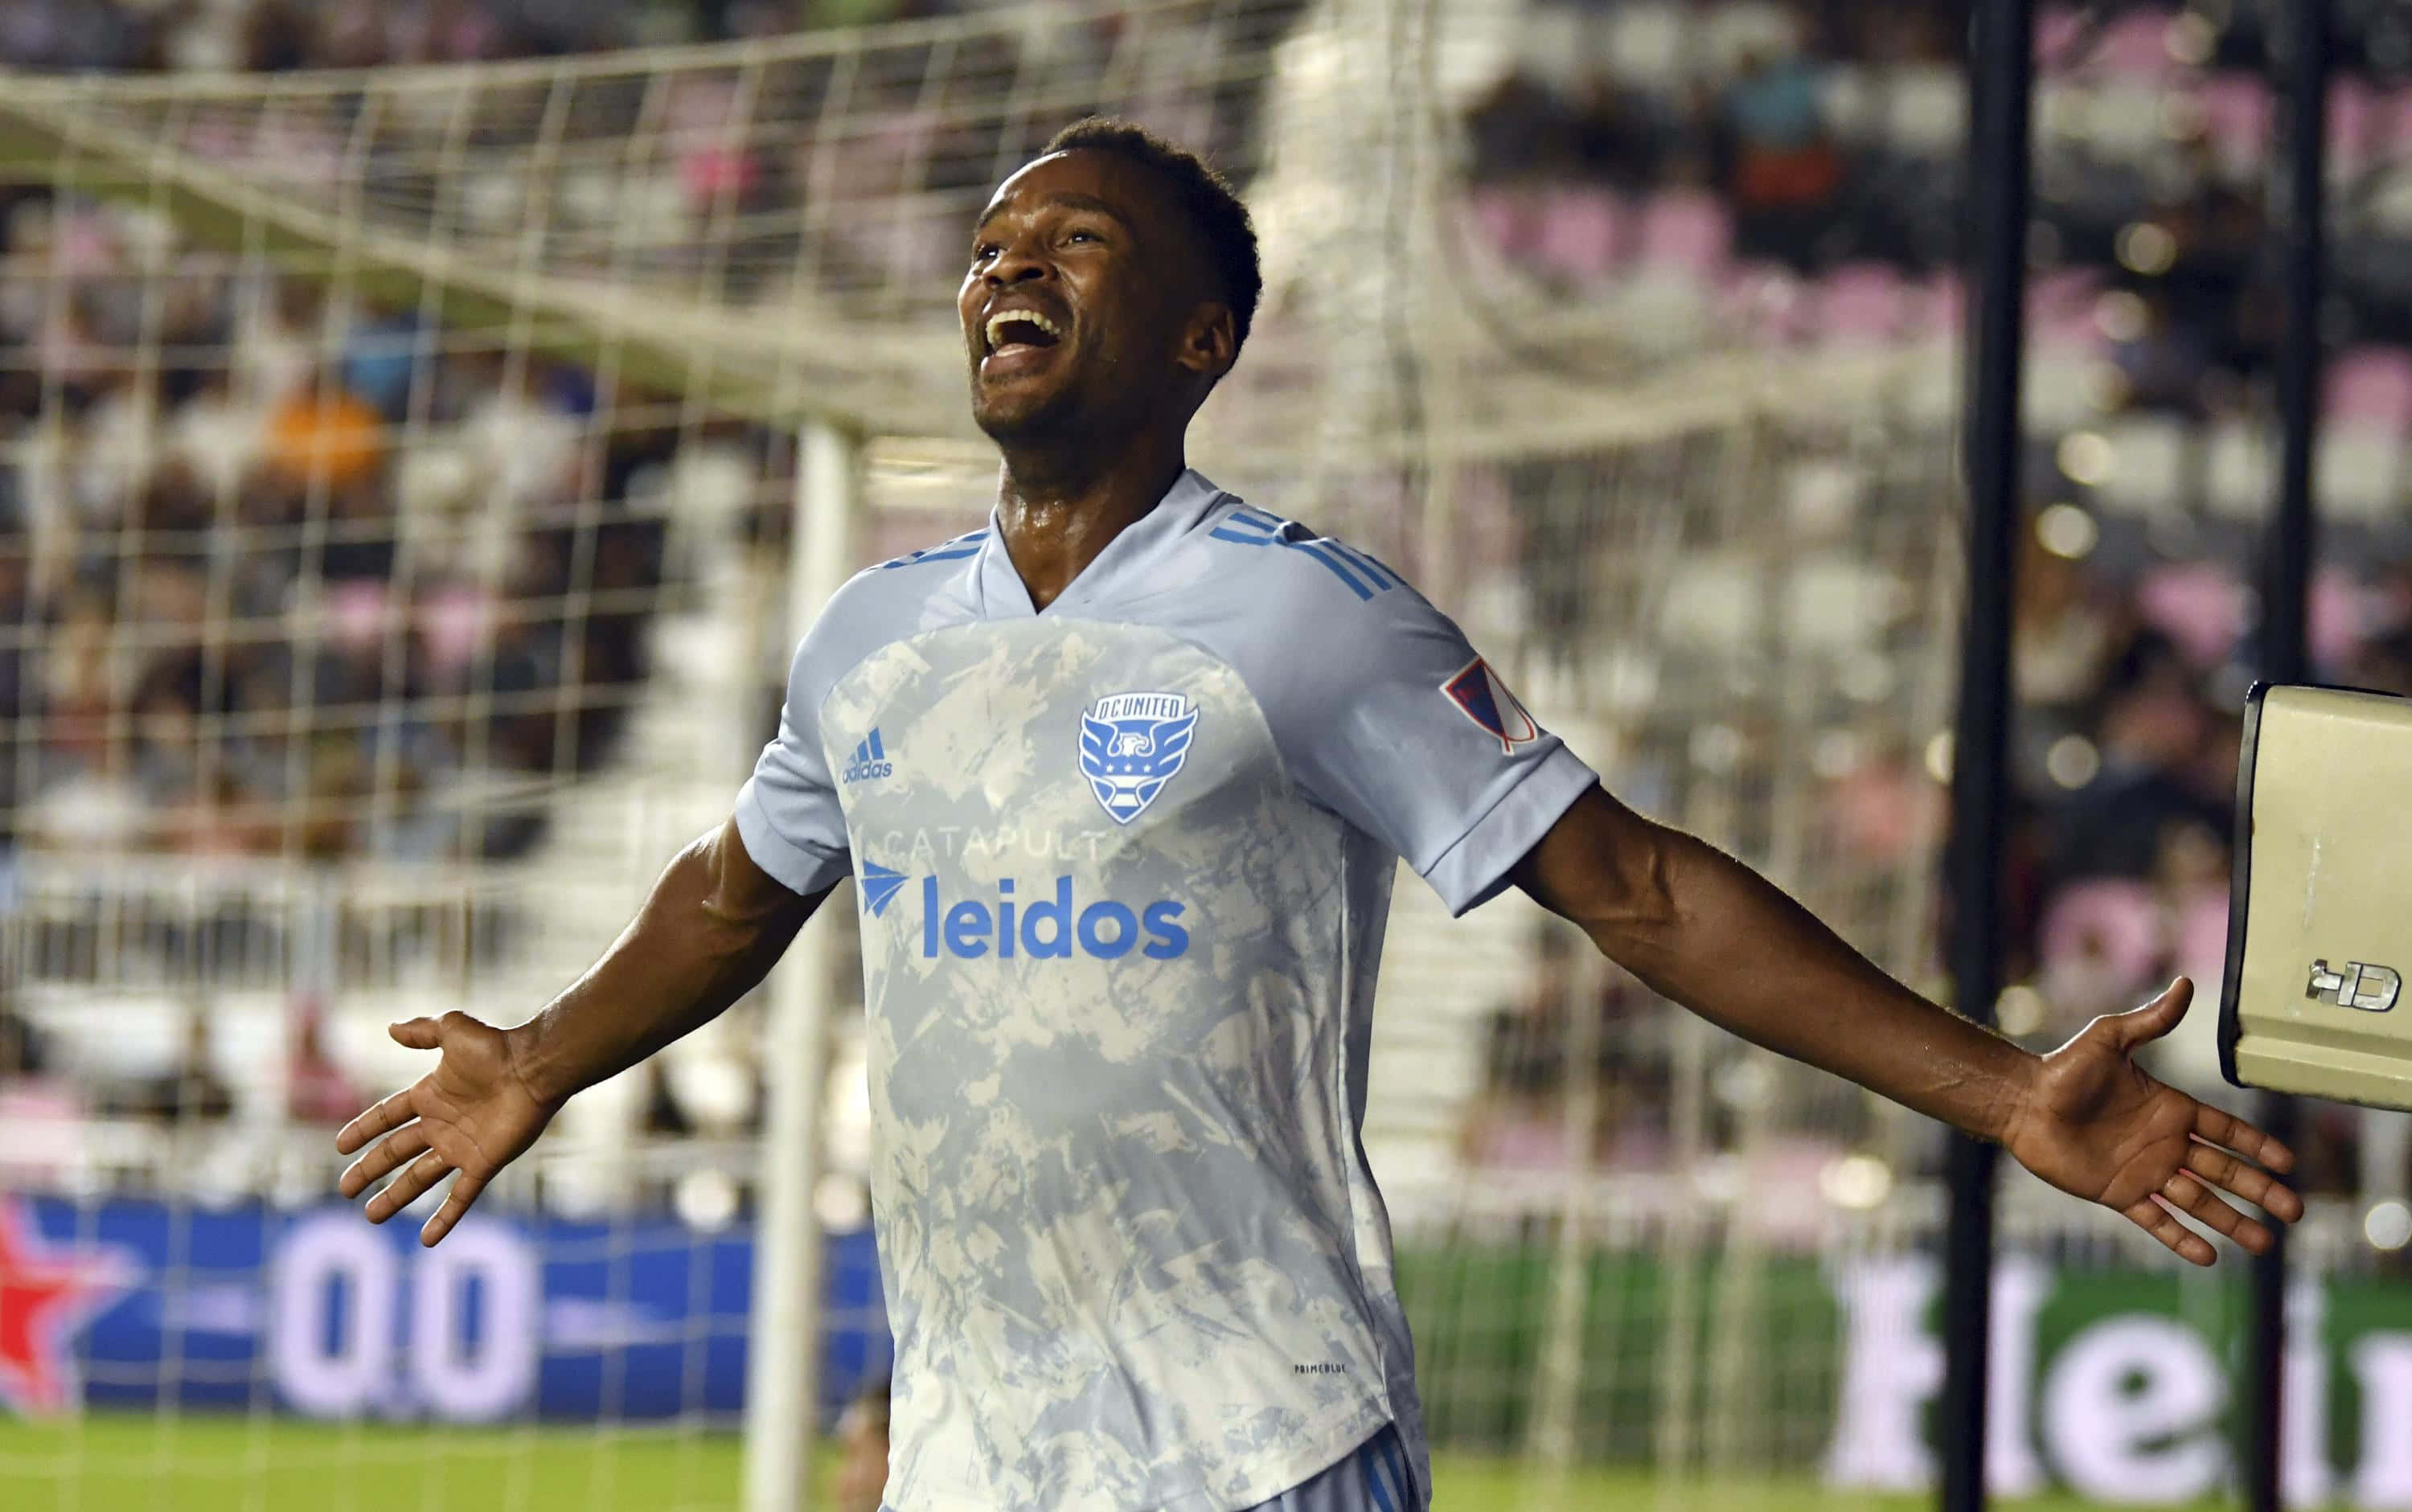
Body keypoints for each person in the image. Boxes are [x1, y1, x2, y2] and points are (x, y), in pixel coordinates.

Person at [335, 119, 2301, 1512]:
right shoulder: (868, 631)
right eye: (995, 245)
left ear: (1203, 340)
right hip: (969, 1455)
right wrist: (545, 1055)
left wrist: (2000, 1091)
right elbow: (732, 891)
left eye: (1077, 241)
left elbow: (1633, 886)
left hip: (1258, 1440)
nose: (1009, 264)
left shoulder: (1307, 614)